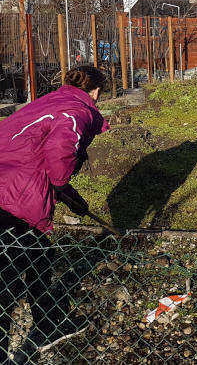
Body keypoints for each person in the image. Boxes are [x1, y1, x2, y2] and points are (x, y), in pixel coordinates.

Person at [0, 65, 109, 361]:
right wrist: (62, 184)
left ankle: (48, 325)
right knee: (8, 277)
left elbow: (31, 154)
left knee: (40, 257)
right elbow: (59, 157)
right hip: (15, 201)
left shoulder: (49, 102)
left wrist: (73, 198)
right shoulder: (78, 111)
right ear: (96, 91)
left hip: (9, 187)